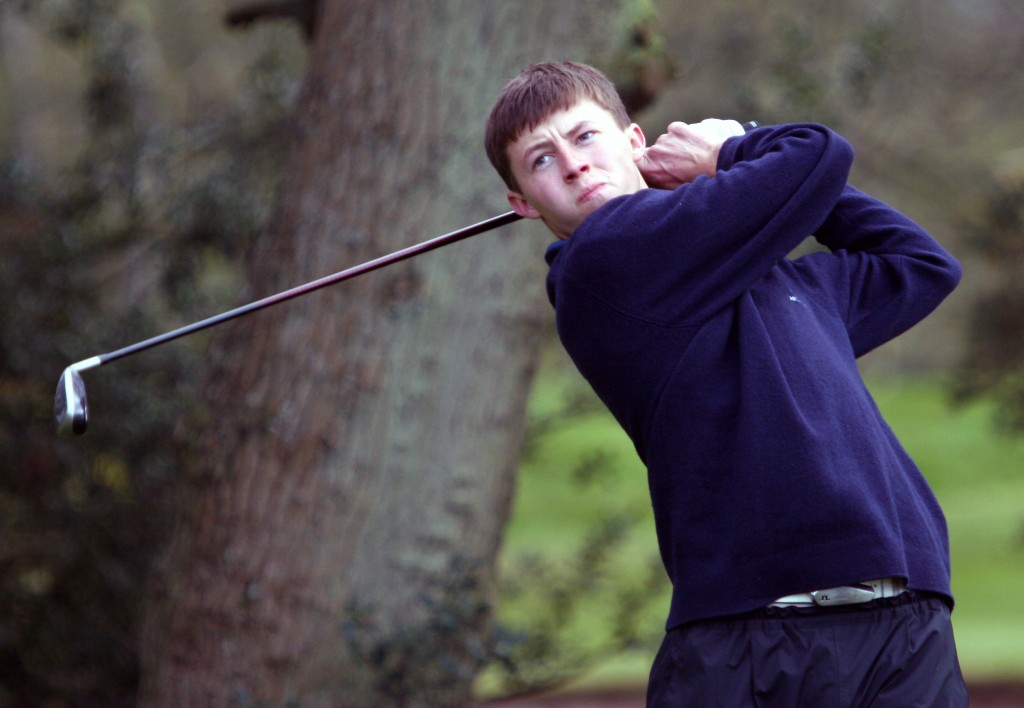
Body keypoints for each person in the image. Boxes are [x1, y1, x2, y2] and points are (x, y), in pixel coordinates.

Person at [485, 61, 968, 706]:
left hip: (904, 624)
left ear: (635, 143)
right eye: (541, 160)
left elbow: (920, 263)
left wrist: (734, 165)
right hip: (750, 642)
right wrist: (734, 146)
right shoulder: (602, 266)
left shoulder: (786, 283)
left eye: (585, 137)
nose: (573, 164)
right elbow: (821, 154)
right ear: (523, 204)